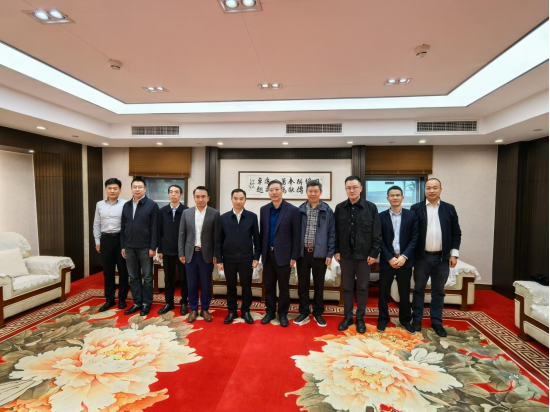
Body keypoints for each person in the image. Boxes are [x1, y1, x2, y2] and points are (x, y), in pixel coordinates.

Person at [411, 178, 462, 337]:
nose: (431, 191)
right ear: (424, 190)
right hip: (421, 258)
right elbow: (411, 233)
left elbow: (456, 233)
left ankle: (436, 322)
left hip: (442, 258)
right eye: (428, 188)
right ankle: (417, 320)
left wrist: (454, 254)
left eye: (435, 188)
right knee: (418, 289)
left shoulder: (449, 209)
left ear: (440, 190)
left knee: (438, 291)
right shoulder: (416, 208)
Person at [334, 176, 382, 334]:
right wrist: (336, 250)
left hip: (364, 257)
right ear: (345, 189)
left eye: (355, 187)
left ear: (361, 188)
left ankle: (360, 318)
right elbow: (335, 232)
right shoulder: (340, 208)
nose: (352, 190)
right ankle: (347, 317)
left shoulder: (371, 208)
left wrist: (374, 253)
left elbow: (377, 233)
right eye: (348, 187)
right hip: (345, 256)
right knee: (347, 288)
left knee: (362, 288)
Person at [294, 180, 335, 327]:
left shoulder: (327, 211)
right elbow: (294, 233)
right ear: (306, 192)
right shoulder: (299, 211)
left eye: (315, 191)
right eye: (310, 191)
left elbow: (332, 233)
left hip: (320, 254)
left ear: (320, 193)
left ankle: (318, 313)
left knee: (319, 285)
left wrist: (329, 254)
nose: (313, 194)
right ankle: (304, 311)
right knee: (303, 285)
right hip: (303, 254)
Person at [377, 185, 418, 334]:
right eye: (392, 195)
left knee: (404, 292)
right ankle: (383, 319)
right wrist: (389, 257)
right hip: (387, 260)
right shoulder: (381, 216)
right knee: (383, 292)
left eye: (398, 195)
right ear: (387, 198)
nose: (395, 197)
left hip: (404, 261)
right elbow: (379, 239)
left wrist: (404, 257)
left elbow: (415, 238)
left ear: (402, 198)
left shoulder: (411, 215)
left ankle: (405, 320)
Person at [259, 180, 300, 328]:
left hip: (284, 255)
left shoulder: (292, 210)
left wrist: (294, 256)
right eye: (271, 190)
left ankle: (282, 313)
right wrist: (260, 254)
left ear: (282, 190)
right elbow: (262, 233)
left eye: (277, 189)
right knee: (269, 286)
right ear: (268, 192)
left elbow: (296, 235)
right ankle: (269, 312)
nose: (274, 192)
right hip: (267, 254)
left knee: (284, 287)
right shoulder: (264, 209)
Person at [216, 189, 261, 325]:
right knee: (231, 287)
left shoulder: (252, 217)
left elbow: (257, 239)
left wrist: (256, 257)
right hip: (228, 259)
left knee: (246, 287)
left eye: (241, 198)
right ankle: (232, 311)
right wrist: (219, 259)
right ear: (231, 199)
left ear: (245, 200)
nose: (238, 201)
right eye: (235, 198)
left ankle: (246, 311)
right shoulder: (223, 218)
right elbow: (218, 241)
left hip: (246, 259)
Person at [178, 186, 219, 323]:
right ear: (194, 198)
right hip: (190, 254)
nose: (200, 199)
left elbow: (216, 236)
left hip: (206, 254)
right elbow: (182, 234)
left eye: (203, 196)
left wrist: (216, 254)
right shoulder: (186, 213)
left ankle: (205, 309)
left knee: (206, 284)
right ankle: (193, 309)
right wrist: (181, 252)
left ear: (208, 198)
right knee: (192, 283)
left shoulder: (214, 213)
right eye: (197, 197)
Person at [121, 177, 159, 316]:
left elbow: (155, 228)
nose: (137, 189)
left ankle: (146, 303)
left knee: (147, 277)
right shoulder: (126, 205)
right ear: (131, 188)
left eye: (140, 187)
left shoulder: (152, 205)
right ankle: (137, 302)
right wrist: (123, 246)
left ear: (145, 189)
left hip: (145, 247)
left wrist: (153, 247)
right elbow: (123, 227)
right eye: (134, 187)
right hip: (129, 247)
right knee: (133, 277)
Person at [93, 178, 129, 312]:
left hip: (121, 240)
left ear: (120, 190)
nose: (112, 191)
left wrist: (126, 244)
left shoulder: (126, 204)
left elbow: (128, 224)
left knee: (123, 271)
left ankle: (122, 299)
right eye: (109, 188)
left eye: (115, 188)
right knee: (108, 272)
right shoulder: (99, 204)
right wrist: (97, 241)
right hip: (106, 240)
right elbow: (96, 223)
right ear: (106, 189)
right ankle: (109, 299)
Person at [157, 185, 189, 316]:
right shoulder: (162, 211)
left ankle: (184, 302)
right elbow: (159, 232)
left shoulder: (187, 211)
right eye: (171, 192)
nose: (173, 194)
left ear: (181, 195)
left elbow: (189, 233)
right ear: (168, 194)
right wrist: (160, 250)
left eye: (176, 192)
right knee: (168, 279)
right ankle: (169, 302)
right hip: (167, 250)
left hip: (182, 252)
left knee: (184, 279)